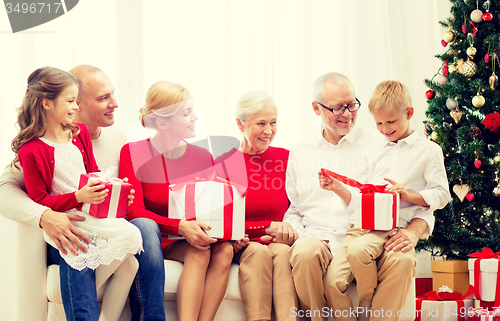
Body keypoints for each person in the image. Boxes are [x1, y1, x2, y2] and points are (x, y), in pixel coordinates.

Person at [0, 64, 166, 321]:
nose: (115, 104)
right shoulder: (34, 148)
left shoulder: (108, 137)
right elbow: (10, 190)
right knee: (75, 247)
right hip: (69, 222)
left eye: (113, 94)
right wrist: (45, 215)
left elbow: (99, 178)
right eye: (103, 98)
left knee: (139, 235)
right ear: (77, 102)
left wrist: (120, 194)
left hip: (100, 219)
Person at [282, 72, 436, 321]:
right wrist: (291, 228)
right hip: (318, 236)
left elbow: (416, 199)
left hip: (372, 235)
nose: (348, 113)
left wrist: (413, 231)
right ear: (316, 108)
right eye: (338, 108)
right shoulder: (300, 151)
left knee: (403, 260)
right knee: (304, 253)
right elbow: (295, 208)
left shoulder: (384, 139)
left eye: (352, 104)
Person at [318, 80, 451, 321]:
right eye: (379, 123)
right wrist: (338, 188)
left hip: (395, 228)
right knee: (332, 282)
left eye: (391, 122)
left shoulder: (428, 151)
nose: (384, 129)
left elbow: (441, 194)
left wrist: (407, 194)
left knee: (399, 263)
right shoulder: (372, 149)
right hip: (361, 227)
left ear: (409, 113)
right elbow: (358, 198)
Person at [119, 80, 234, 321]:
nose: (195, 118)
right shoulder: (133, 152)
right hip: (157, 238)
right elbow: (135, 212)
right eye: (186, 113)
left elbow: (212, 208)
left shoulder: (203, 155)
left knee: (224, 250)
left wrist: (231, 226)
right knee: (200, 251)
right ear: (162, 122)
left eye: (193, 110)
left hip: (192, 234)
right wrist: (179, 226)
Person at [214, 90, 298, 321]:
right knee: (259, 252)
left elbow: (300, 207)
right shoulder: (222, 162)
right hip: (244, 244)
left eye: (273, 122)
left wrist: (288, 229)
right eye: (261, 123)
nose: (269, 131)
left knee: (282, 253)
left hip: (278, 241)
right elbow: (217, 219)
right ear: (240, 125)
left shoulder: (286, 158)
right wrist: (262, 228)